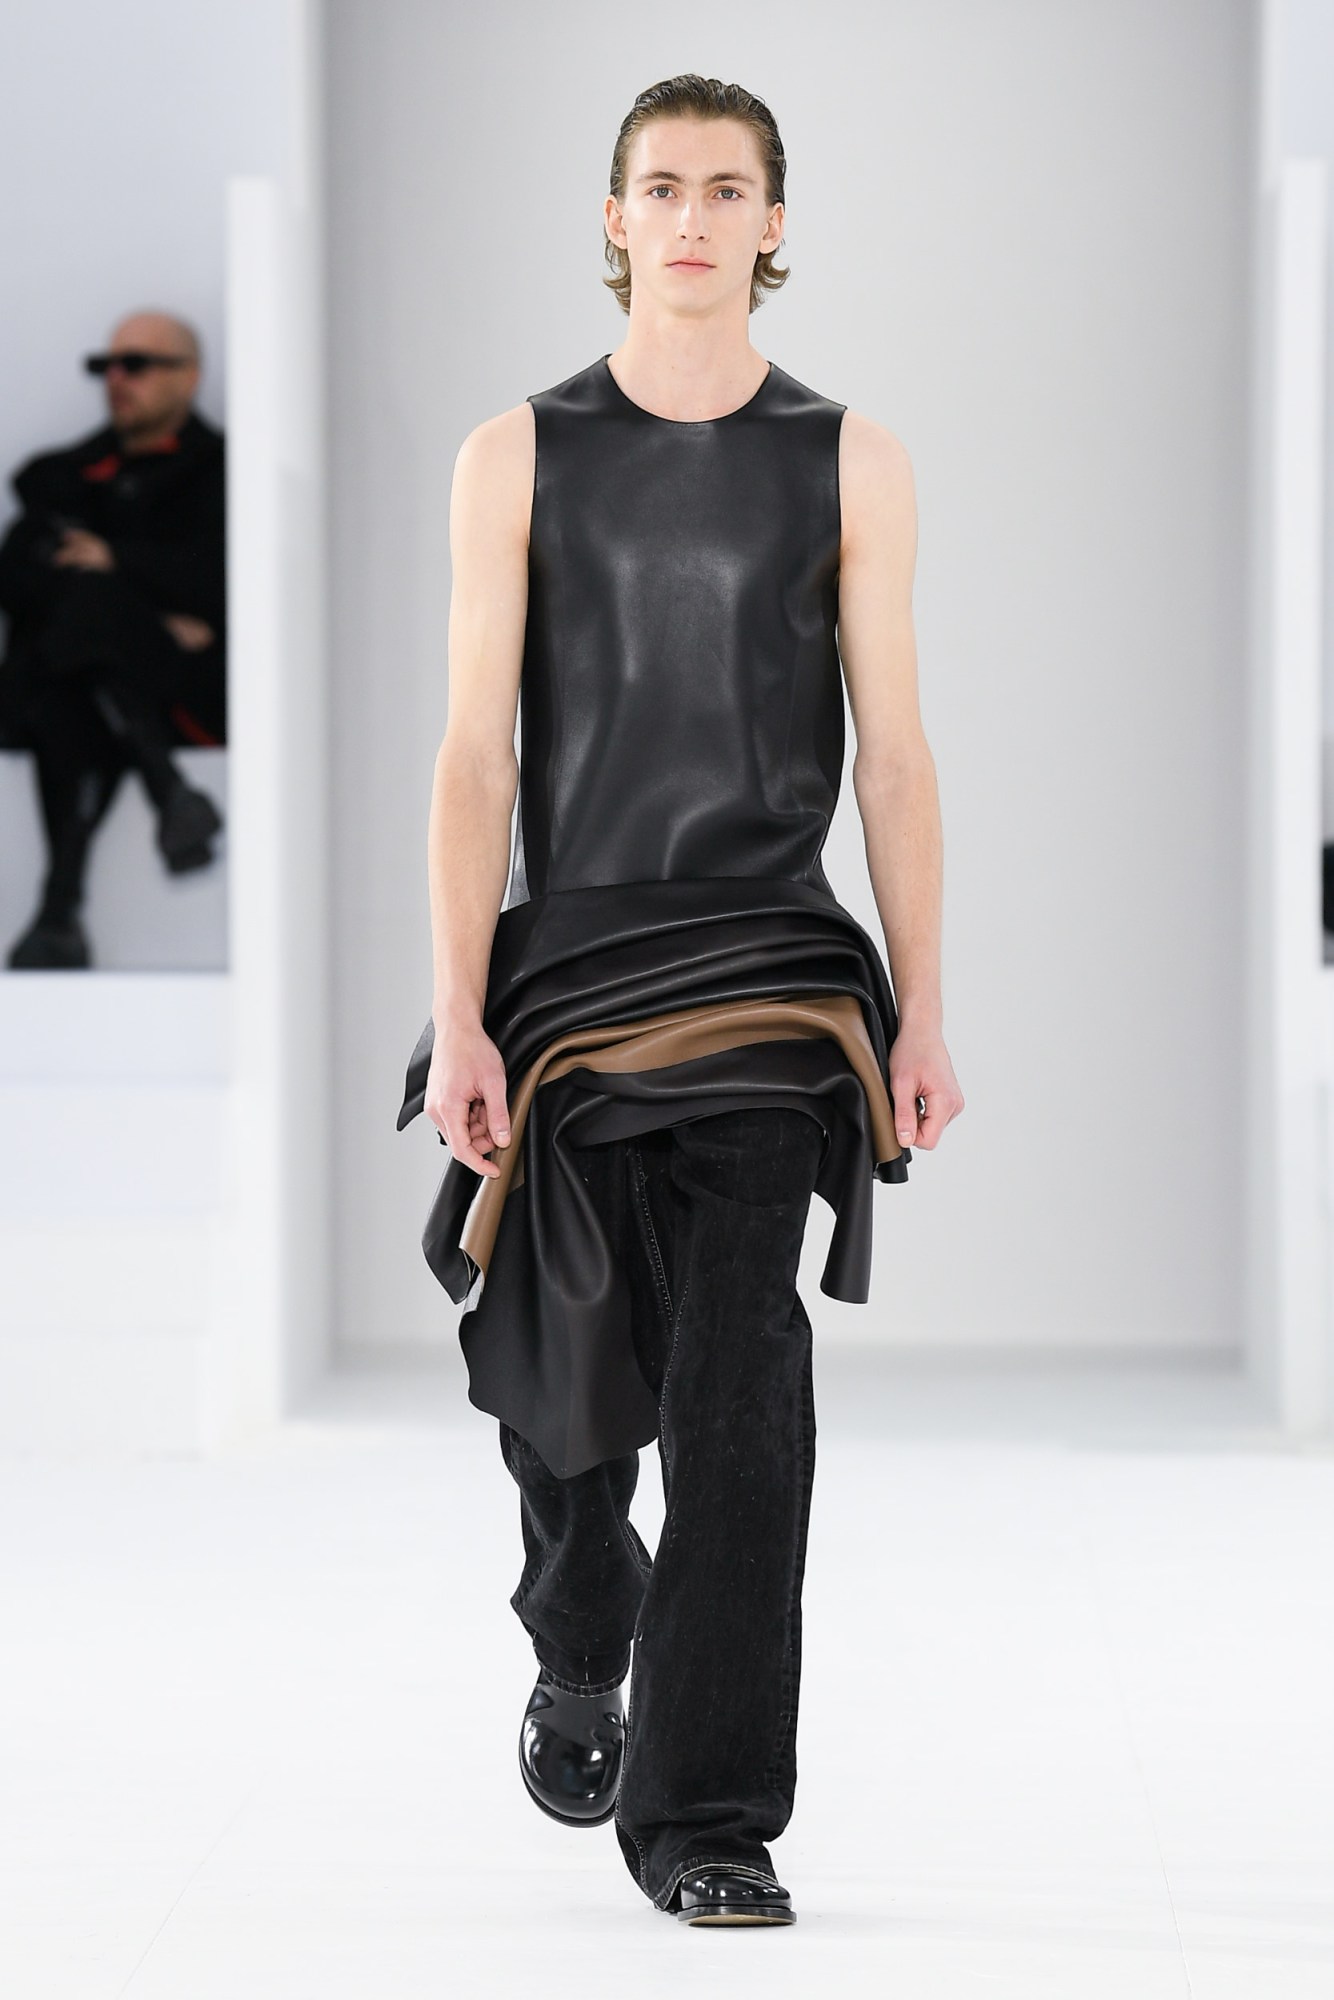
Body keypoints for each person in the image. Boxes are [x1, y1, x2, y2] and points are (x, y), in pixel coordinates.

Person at [415, 74, 964, 1926]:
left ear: (772, 226)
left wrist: (921, 1007)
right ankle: (585, 1632)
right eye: (661, 186)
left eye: (729, 189)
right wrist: (459, 1007)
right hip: (568, 970)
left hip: (766, 975)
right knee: (564, 1393)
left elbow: (892, 757)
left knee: (740, 1383)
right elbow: (474, 754)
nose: (693, 217)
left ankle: (708, 1817)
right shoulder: (515, 454)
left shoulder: (848, 457)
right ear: (613, 216)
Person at [0, 309, 226, 970]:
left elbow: (221, 579)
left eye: (137, 365)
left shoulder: (220, 473)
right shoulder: (64, 477)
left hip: (182, 694)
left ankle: (59, 910)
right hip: (84, 689)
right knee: (76, 636)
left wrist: (115, 563)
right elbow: (15, 574)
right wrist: (153, 613)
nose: (117, 379)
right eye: (107, 366)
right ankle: (165, 790)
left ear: (189, 376)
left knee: (82, 628)